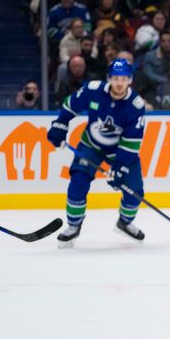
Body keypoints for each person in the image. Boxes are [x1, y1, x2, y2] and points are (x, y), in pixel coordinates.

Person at [46, 59, 147, 247]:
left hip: (120, 151)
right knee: (78, 181)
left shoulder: (135, 105)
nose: (119, 83)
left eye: (124, 78)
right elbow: (70, 105)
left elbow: (131, 142)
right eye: (115, 78)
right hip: (91, 145)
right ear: (109, 78)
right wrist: (60, 124)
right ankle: (73, 226)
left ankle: (125, 222)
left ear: (130, 80)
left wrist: (121, 168)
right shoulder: (93, 90)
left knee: (135, 191)